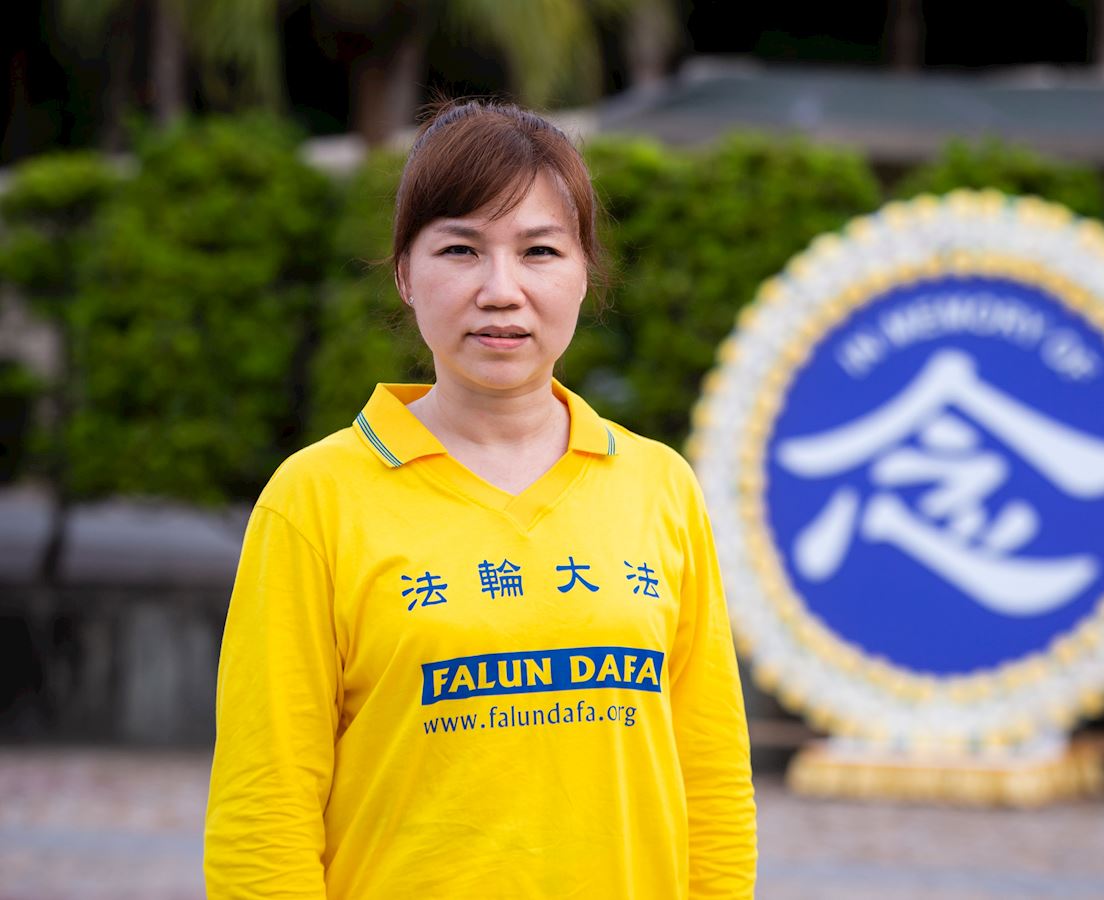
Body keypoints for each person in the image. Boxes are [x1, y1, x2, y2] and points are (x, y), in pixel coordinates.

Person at [202, 100, 757, 898]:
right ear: (405, 272)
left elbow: (713, 781)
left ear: (583, 271)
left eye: (539, 251)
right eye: (461, 249)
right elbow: (264, 809)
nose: (502, 290)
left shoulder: (659, 486)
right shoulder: (315, 499)